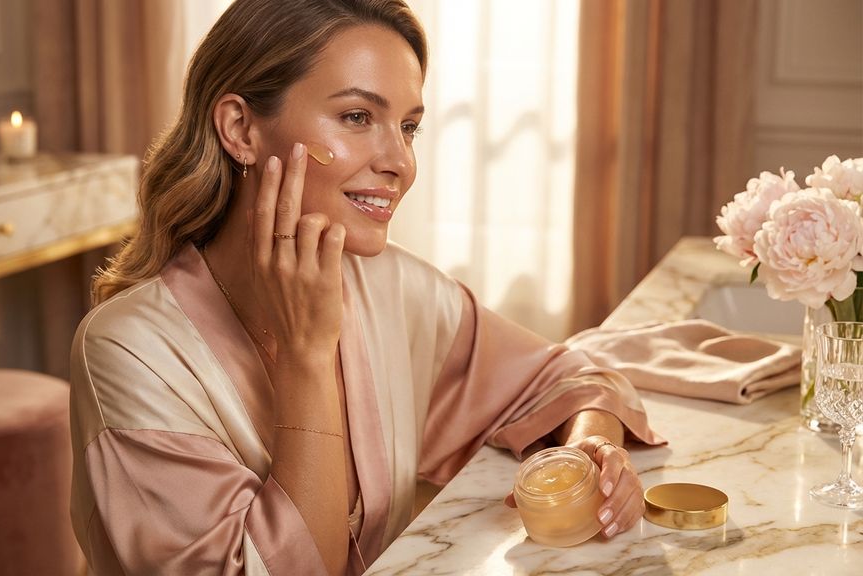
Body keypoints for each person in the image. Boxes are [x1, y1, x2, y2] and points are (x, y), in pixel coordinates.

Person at [69, 1, 664, 574]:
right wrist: (307, 356)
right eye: (357, 117)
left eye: (408, 127)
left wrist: (591, 452)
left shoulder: (388, 286)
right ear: (240, 127)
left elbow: (572, 379)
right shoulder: (129, 352)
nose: (401, 162)